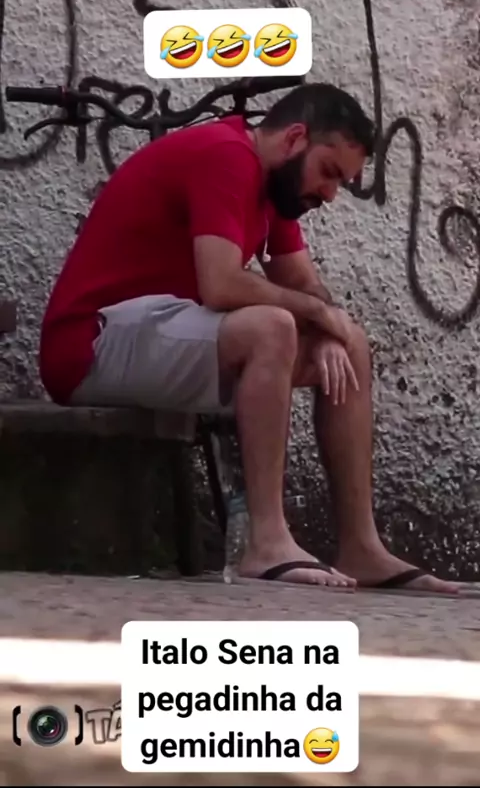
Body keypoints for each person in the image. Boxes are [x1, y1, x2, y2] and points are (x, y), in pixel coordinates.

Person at [39, 82, 458, 595]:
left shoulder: (275, 190)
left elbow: (302, 282)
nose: (331, 194)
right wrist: (317, 315)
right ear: (296, 138)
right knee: (271, 328)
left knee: (350, 345)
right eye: (329, 172)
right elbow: (220, 285)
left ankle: (361, 547)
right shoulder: (227, 155)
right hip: (90, 345)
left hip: (158, 336)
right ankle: (266, 542)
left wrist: (327, 327)